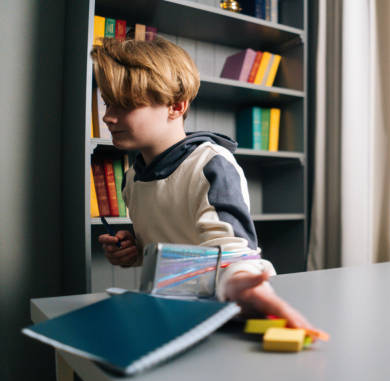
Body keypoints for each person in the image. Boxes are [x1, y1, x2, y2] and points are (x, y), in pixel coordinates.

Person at [92, 36, 312, 330]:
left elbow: (232, 251)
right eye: (108, 103)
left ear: (175, 106)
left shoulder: (211, 164)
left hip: (224, 308)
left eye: (124, 105)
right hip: (173, 310)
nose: (108, 117)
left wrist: (242, 285)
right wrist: (132, 249)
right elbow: (164, 244)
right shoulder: (133, 176)